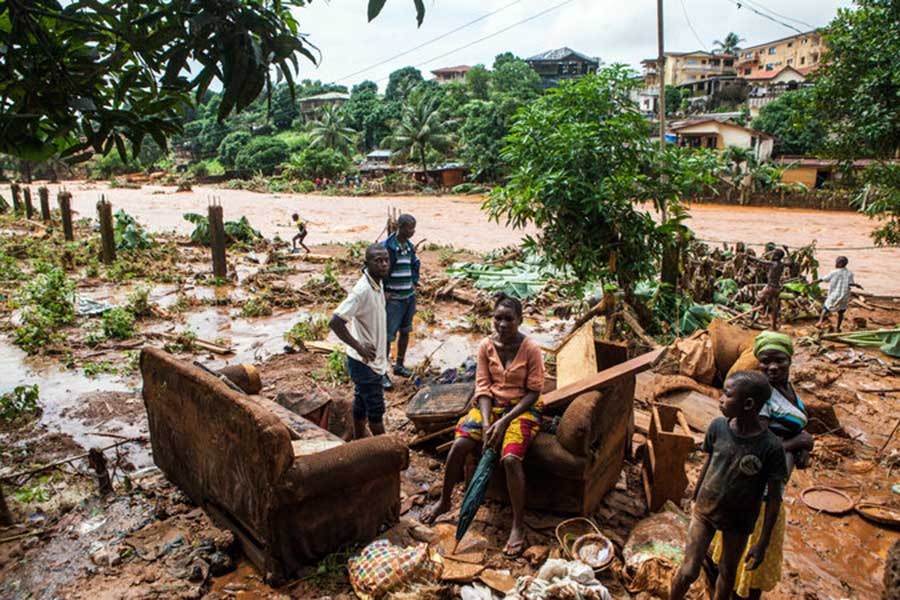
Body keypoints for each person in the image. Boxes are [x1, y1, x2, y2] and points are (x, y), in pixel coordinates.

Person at [425, 294, 544, 558]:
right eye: (498, 318)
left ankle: (517, 524)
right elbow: (483, 387)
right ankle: (444, 501)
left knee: (511, 458)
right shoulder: (485, 347)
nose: (502, 324)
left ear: (520, 320)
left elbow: (534, 392)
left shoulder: (531, 349)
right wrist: (489, 422)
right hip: (490, 408)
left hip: (522, 409)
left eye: (508, 319)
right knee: (459, 444)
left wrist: (504, 422)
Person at [670, 370, 788, 600]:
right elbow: (708, 463)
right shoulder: (718, 427)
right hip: (705, 511)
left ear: (748, 404)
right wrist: (694, 498)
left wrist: (762, 543)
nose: (721, 399)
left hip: (740, 521)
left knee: (727, 572)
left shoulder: (771, 447)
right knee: (688, 570)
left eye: (727, 394)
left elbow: (774, 498)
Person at [329, 244, 391, 439]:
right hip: (365, 363)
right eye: (378, 261)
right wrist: (359, 346)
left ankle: (358, 440)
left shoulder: (377, 283)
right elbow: (336, 321)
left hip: (370, 361)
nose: (383, 265)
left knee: (361, 403)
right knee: (375, 411)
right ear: (367, 263)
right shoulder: (361, 291)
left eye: (386, 260)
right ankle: (386, 453)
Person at [380, 214, 421, 389]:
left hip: (408, 297)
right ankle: (382, 373)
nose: (413, 231)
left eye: (414, 227)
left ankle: (399, 365)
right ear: (401, 227)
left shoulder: (409, 247)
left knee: (405, 332)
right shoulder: (388, 247)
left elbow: (413, 266)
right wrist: (383, 291)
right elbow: (377, 269)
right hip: (394, 299)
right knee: (388, 336)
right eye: (410, 228)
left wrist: (414, 283)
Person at [816, 256, 863, 331]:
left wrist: (814, 282)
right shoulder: (849, 273)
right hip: (844, 295)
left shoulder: (834, 272)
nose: (836, 263)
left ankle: (820, 322)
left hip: (834, 294)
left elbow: (823, 279)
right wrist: (857, 285)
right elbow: (850, 283)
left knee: (826, 307)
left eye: (837, 262)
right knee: (841, 312)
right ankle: (838, 327)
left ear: (839, 263)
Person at [752, 247, 790, 330]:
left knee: (757, 301)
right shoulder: (782, 264)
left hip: (770, 287)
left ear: (776, 256)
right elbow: (790, 262)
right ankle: (773, 326)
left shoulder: (773, 264)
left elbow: (760, 261)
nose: (772, 255)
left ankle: (751, 318)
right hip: (777, 288)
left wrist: (748, 256)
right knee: (774, 307)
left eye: (774, 254)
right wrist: (787, 251)